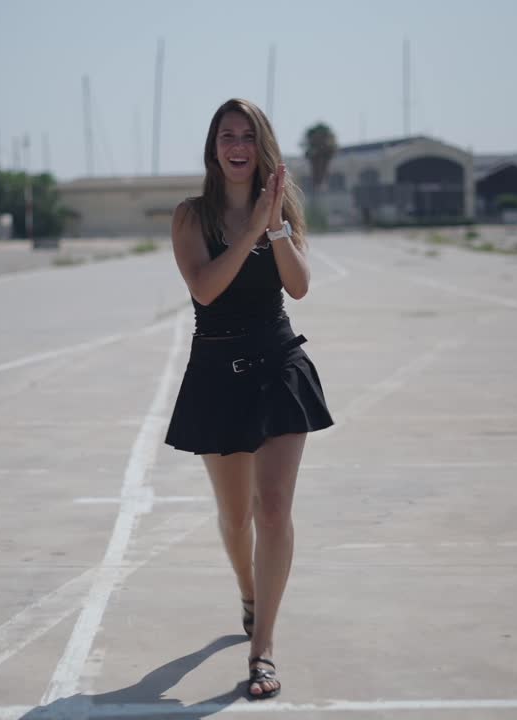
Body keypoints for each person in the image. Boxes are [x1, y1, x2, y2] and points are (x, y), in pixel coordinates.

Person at [164, 98, 334, 700]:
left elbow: (300, 286)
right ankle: (249, 594)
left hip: (278, 366)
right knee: (236, 518)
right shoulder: (192, 216)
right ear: (214, 149)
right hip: (218, 375)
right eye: (226, 136)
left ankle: (262, 651)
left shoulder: (282, 208)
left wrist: (275, 224)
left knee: (273, 510)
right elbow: (206, 289)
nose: (237, 146)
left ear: (262, 147)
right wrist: (251, 228)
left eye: (247, 136)